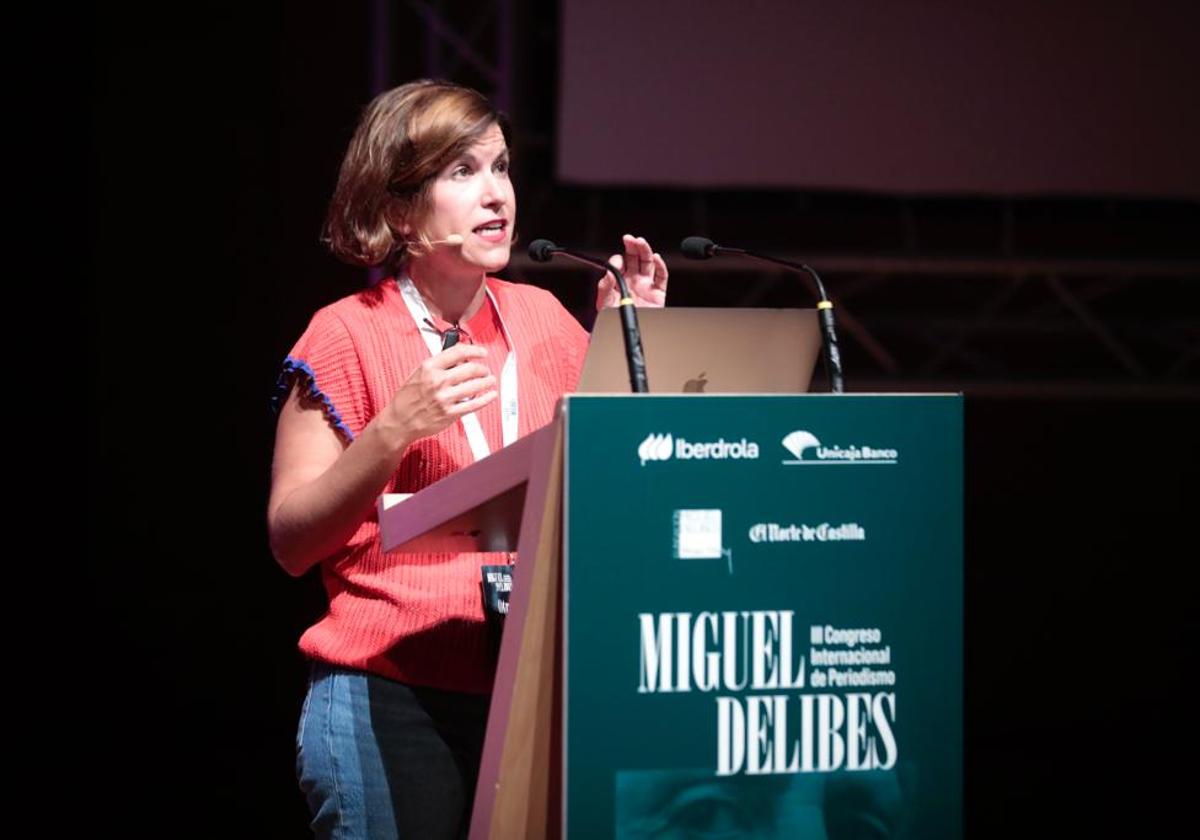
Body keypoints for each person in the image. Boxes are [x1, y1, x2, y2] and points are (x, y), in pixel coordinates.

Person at [268, 79, 668, 839]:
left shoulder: (545, 319)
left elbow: (602, 486)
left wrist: (625, 353)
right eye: (463, 172)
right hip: (391, 693)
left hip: (539, 688)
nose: (497, 195)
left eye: (502, 167)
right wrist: (395, 429)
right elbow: (291, 543)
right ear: (397, 210)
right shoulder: (345, 334)